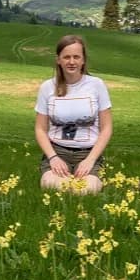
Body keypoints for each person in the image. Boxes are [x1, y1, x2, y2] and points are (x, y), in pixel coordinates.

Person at [34, 34, 112, 194]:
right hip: (57, 151)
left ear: (83, 60)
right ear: (58, 60)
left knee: (86, 190)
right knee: (53, 186)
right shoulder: (47, 87)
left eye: (76, 57)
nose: (71, 62)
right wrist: (53, 158)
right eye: (66, 57)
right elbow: (40, 129)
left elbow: (107, 128)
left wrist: (90, 160)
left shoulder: (97, 85)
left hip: (88, 152)